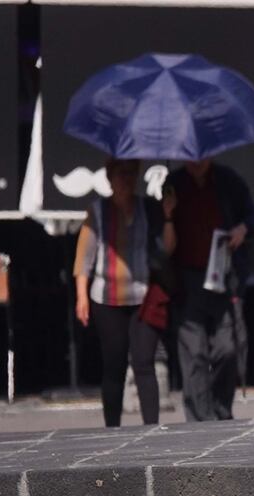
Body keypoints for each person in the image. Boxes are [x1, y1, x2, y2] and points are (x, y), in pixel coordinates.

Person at [74, 158, 174, 428]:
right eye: (120, 174)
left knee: (144, 362)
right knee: (114, 364)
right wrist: (81, 296)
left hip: (143, 296)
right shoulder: (98, 211)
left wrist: (167, 216)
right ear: (109, 177)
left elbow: (168, 249)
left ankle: (151, 426)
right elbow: (85, 256)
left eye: (131, 174)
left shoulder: (149, 209)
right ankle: (112, 428)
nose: (125, 180)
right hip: (106, 298)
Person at [166, 159, 254, 421]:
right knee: (193, 353)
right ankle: (199, 419)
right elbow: (162, 235)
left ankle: (220, 408)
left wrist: (242, 229)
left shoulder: (228, 180)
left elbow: (252, 217)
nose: (196, 162)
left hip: (223, 275)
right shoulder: (173, 184)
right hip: (187, 279)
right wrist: (168, 213)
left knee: (227, 348)